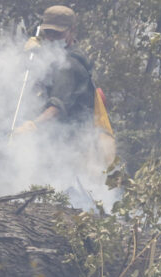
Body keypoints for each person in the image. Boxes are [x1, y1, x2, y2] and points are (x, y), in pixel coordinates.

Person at [13, 5, 115, 167]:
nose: (52, 38)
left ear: (71, 30)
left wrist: (33, 125)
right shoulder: (55, 55)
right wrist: (28, 55)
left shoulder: (69, 64)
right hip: (59, 142)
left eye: (58, 33)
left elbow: (56, 108)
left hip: (75, 147)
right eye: (48, 32)